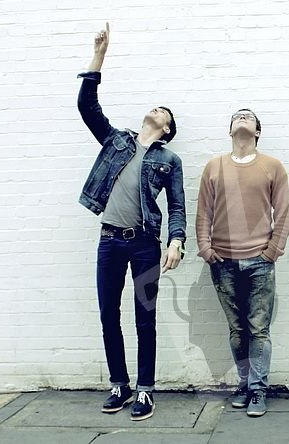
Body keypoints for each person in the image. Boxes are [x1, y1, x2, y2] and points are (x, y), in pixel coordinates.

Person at [77, 23, 186, 421]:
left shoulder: (169, 160)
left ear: (167, 129)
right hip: (109, 241)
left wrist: (176, 241)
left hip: (144, 245)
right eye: (154, 108)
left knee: (145, 317)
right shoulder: (117, 140)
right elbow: (87, 107)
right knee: (109, 313)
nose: (156, 110)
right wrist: (99, 56)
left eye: (163, 112)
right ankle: (119, 385)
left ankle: (145, 390)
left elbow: (177, 206)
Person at [195, 108, 289, 417]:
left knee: (259, 330)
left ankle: (258, 389)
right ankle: (245, 383)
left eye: (249, 116)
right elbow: (203, 211)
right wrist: (205, 248)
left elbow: (283, 212)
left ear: (258, 132)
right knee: (237, 330)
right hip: (222, 261)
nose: (242, 117)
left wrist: (272, 251)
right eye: (237, 116)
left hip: (260, 262)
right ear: (230, 130)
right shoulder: (214, 167)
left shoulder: (272, 166)